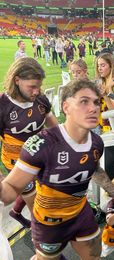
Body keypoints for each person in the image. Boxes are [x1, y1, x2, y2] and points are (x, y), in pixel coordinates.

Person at [0, 79, 114, 260]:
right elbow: (11, 189)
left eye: (96, 102)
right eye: (84, 101)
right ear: (65, 106)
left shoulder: (97, 143)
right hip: (49, 223)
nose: (93, 108)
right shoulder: (41, 144)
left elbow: (95, 169)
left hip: (81, 215)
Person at [0, 57, 58, 229]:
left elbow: (53, 125)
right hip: (18, 165)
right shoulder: (3, 105)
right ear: (16, 80)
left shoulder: (40, 99)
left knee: (49, 198)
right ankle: (43, 245)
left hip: (42, 159)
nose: (36, 91)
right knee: (36, 207)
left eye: (38, 86)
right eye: (32, 86)